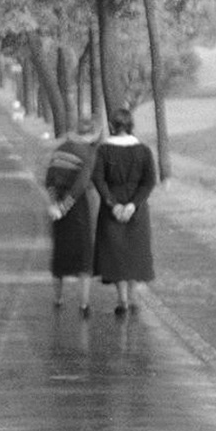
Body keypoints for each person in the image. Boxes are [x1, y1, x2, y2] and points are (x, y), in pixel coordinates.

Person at [91, 98, 159, 317]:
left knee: (116, 254)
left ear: (112, 126)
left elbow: (98, 180)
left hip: (112, 207)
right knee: (134, 253)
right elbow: (149, 181)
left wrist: (112, 204)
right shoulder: (143, 151)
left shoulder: (103, 151)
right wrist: (132, 205)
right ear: (131, 126)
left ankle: (122, 299)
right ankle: (132, 296)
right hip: (136, 207)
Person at [42, 123, 96, 304]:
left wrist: (55, 205)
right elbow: (81, 184)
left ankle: (58, 298)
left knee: (60, 254)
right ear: (90, 136)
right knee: (84, 258)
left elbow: (48, 180)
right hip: (78, 209)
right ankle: (84, 303)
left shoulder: (59, 150)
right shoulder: (87, 153)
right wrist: (65, 206)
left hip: (57, 205)